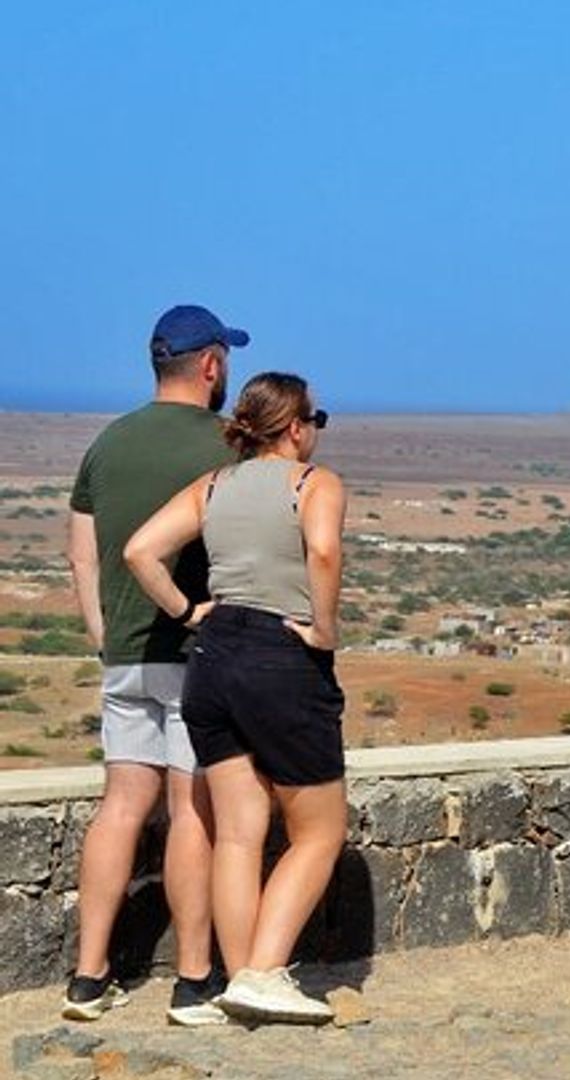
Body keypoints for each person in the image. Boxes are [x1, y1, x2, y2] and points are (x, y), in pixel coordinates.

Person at [125, 372, 348, 1025]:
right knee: (320, 828)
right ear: (297, 426)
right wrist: (325, 630)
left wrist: (189, 611)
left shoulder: (214, 486)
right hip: (283, 656)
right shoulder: (314, 483)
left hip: (212, 659)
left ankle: (237, 985)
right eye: (315, 420)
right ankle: (264, 970)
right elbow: (325, 551)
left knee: (239, 834)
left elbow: (140, 550)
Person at [61, 305, 241, 1026]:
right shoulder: (229, 446)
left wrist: (107, 635)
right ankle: (194, 979)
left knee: (120, 807)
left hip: (126, 657)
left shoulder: (107, 443)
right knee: (188, 809)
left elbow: (81, 553)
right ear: (211, 366)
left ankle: (87, 975)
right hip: (193, 655)